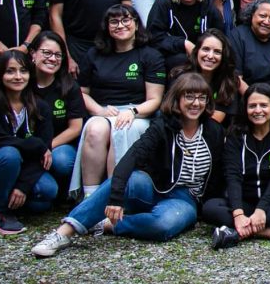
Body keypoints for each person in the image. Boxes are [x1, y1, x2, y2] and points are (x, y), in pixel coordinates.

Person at [32, 73, 226, 257]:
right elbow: (132, 157)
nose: (196, 103)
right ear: (177, 99)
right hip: (152, 186)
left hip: (185, 198)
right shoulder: (163, 125)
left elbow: (218, 172)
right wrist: (116, 197)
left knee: (164, 225)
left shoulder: (214, 131)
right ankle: (64, 232)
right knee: (130, 179)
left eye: (202, 98)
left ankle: (106, 224)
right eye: (189, 97)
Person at [71, 4, 165, 198]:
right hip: (104, 111)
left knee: (121, 128)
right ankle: (91, 197)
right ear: (107, 26)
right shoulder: (93, 54)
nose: (120, 25)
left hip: (137, 114)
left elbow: (155, 99)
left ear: (136, 24)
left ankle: (114, 195)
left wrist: (133, 112)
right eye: (114, 21)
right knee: (95, 129)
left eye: (126, 20)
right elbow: (81, 92)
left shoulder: (150, 55)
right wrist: (98, 110)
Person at [0, 50, 56, 234]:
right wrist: (33, 145)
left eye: (23, 71)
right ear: (0, 74)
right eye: (10, 71)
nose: (18, 76)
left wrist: (22, 186)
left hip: (22, 169)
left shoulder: (40, 106)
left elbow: (44, 153)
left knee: (47, 191)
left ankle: (12, 197)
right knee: (9, 154)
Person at [204, 82, 270, 249]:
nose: (258, 110)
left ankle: (234, 234)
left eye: (263, 105)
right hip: (244, 203)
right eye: (252, 106)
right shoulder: (235, 136)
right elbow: (232, 176)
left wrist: (261, 211)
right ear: (245, 109)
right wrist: (237, 214)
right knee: (209, 207)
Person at [29, 31, 84, 196]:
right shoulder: (21, 82)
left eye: (58, 55)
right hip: (26, 147)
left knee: (62, 161)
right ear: (33, 53)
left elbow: (75, 127)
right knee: (39, 202)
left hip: (58, 146)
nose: (52, 59)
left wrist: (45, 147)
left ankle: (61, 192)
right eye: (46, 52)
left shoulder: (69, 86)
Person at [146, 0, 225, 70]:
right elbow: (154, 37)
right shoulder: (164, 3)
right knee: (180, 60)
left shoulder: (208, 7)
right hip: (172, 58)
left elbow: (220, 39)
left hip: (203, 58)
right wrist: (183, 44)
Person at [169, 29, 243, 127]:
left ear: (223, 56)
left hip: (211, 132)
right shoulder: (180, 75)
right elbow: (171, 109)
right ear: (197, 51)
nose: (210, 56)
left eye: (217, 52)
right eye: (206, 49)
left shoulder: (228, 81)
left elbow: (217, 118)